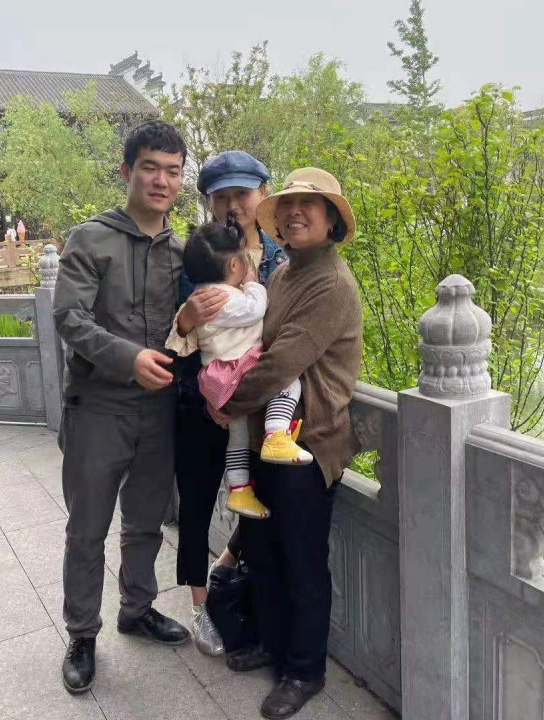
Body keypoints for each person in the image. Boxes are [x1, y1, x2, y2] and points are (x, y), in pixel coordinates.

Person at [211, 167, 363, 719]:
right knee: (265, 553)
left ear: (331, 221)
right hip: (267, 437)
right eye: (289, 205)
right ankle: (273, 646)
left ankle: (304, 671)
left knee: (301, 561)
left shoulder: (331, 283)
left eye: (309, 206)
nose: (296, 213)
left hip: (308, 443)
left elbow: (282, 362)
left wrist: (226, 402)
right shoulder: (283, 274)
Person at [53, 120, 191, 695]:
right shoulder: (91, 239)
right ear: (127, 170)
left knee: (145, 522)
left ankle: (137, 608)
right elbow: (69, 317)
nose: (161, 181)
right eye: (150, 167)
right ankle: (82, 634)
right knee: (88, 528)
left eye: (173, 171)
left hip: (159, 412)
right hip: (98, 408)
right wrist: (128, 358)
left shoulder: (183, 252)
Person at [171, 151, 286, 657]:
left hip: (261, 403)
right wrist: (184, 323)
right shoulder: (198, 255)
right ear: (210, 203)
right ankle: (200, 608)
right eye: (222, 198)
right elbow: (181, 342)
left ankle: (243, 588)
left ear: (263, 194)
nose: (233, 206)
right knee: (196, 504)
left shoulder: (283, 257)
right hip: (205, 406)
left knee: (258, 499)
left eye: (242, 194)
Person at [167, 216, 312, 519]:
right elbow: (255, 310)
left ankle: (239, 488)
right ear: (235, 265)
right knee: (288, 382)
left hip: (216, 377)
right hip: (238, 369)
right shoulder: (225, 298)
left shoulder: (197, 298)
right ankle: (276, 434)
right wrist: (254, 283)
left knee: (238, 435)